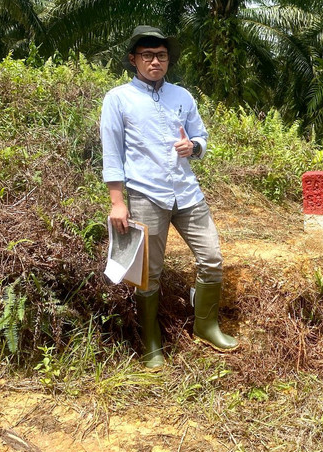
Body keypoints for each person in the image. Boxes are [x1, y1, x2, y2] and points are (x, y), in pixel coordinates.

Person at [100, 25, 238, 368]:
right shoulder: (119, 99)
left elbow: (201, 137)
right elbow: (112, 153)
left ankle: (206, 326)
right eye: (147, 55)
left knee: (212, 258)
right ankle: (151, 342)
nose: (155, 61)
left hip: (187, 192)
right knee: (149, 273)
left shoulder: (182, 96)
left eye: (161, 55)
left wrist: (193, 146)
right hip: (147, 194)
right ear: (133, 60)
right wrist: (118, 202)